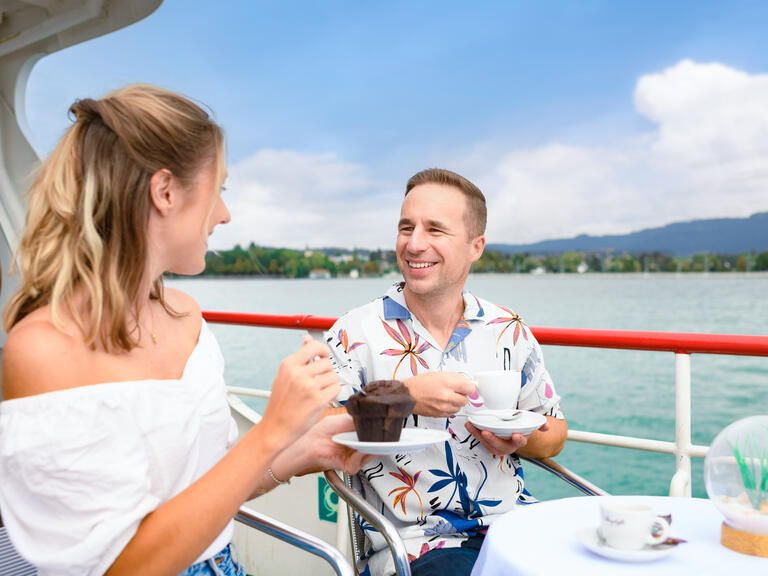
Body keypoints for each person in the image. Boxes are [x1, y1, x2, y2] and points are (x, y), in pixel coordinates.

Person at [0, 84, 366, 576]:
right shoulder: (41, 351)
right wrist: (271, 430)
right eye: (219, 191)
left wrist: (302, 446)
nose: (225, 214)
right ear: (165, 192)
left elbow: (203, 493)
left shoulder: (186, 317)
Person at [326, 168, 568, 576]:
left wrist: (517, 437)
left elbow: (555, 433)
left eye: (435, 230)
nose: (414, 243)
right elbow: (316, 436)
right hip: (416, 544)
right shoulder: (354, 334)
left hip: (515, 527)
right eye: (407, 227)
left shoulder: (507, 328)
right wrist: (403, 397)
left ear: (476, 246)